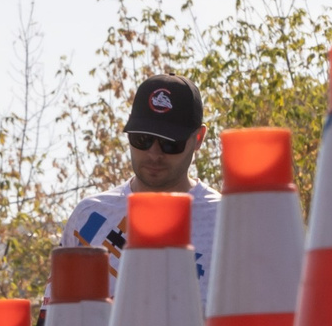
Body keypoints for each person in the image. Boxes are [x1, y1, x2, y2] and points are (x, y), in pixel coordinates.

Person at [59, 73, 220, 296]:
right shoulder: (90, 216)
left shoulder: (225, 221)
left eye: (170, 143)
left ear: (199, 138)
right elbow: (55, 314)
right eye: (142, 139)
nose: (154, 154)